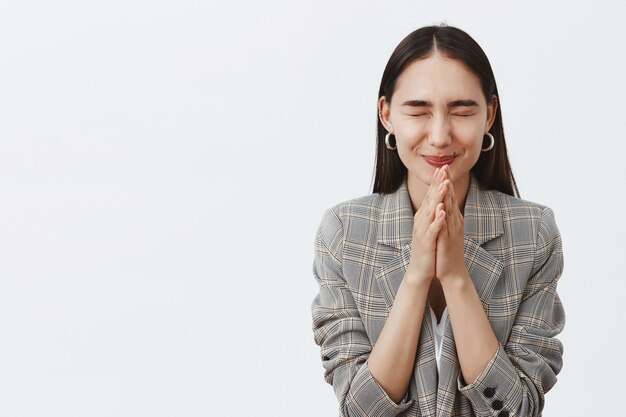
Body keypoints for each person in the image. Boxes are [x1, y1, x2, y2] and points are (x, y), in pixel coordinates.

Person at [311, 24, 565, 417]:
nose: (440, 135)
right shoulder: (344, 233)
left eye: (462, 110)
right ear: (386, 115)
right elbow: (361, 410)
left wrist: (456, 277)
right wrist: (416, 276)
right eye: (418, 109)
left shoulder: (532, 233)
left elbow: (516, 410)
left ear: (489, 116)